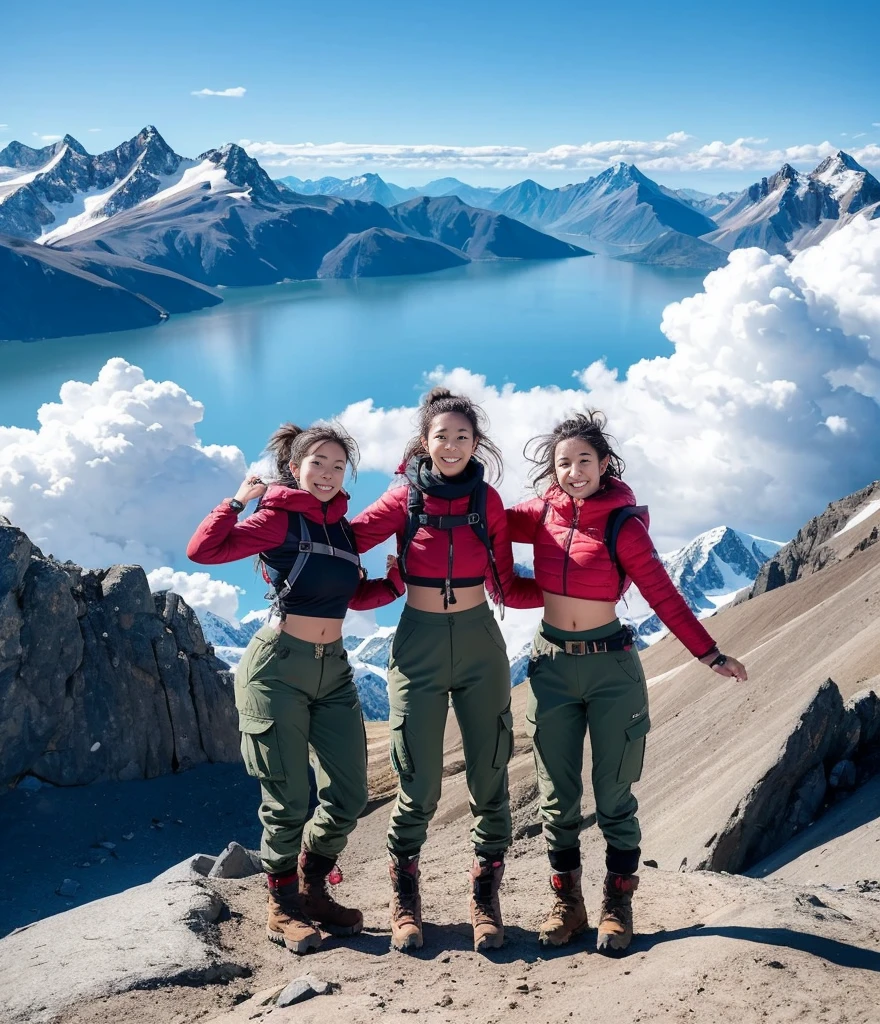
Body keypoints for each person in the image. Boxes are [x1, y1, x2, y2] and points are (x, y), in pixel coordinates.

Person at [506, 411, 747, 955]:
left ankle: (618, 904)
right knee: (556, 796)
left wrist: (709, 654)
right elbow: (480, 515)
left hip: (612, 668)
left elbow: (663, 594)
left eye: (584, 461)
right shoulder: (537, 514)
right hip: (549, 669)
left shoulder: (622, 524)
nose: (573, 472)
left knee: (615, 794)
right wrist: (424, 468)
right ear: (552, 471)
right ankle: (567, 903)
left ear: (605, 464)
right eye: (562, 463)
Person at [187, 423, 404, 954]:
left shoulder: (346, 533)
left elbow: (349, 597)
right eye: (317, 465)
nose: (327, 475)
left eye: (337, 466)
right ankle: (281, 906)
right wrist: (236, 501)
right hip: (277, 669)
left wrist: (394, 583)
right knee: (286, 800)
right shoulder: (277, 520)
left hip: (335, 669)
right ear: (296, 468)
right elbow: (203, 551)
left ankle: (311, 885)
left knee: (350, 794)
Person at [350, 387, 530, 952]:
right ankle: (405, 898)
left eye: (462, 436)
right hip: (418, 643)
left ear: (477, 443)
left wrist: (586, 589)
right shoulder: (402, 498)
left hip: (480, 641)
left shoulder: (489, 501)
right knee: (418, 780)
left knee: (490, 771)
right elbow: (344, 540)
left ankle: (485, 900)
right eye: (441, 437)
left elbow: (504, 580)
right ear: (422, 444)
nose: (452, 446)